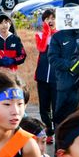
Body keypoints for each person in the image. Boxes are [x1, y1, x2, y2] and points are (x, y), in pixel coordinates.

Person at [47, 6, 79, 120]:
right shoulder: (57, 37)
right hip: (64, 85)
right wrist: (72, 65)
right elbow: (53, 59)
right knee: (62, 119)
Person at [35, 8, 57, 138]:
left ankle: (57, 129)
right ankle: (48, 131)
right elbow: (41, 48)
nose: (50, 20)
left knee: (56, 106)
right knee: (44, 107)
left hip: (56, 77)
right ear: (44, 21)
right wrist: (47, 32)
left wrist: (53, 32)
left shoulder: (60, 34)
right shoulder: (40, 34)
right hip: (42, 76)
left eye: (53, 18)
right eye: (47, 18)